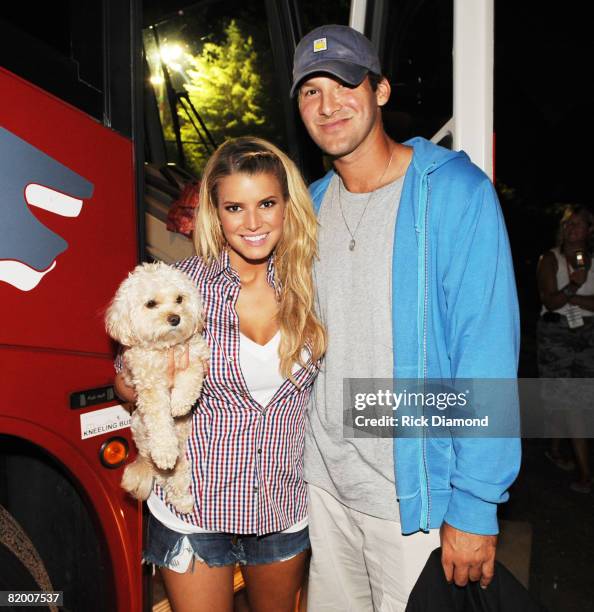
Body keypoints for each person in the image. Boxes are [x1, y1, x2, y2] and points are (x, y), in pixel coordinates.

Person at [291, 24, 521, 610]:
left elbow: (486, 351)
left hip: (414, 501)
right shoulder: (309, 206)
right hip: (324, 487)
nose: (328, 104)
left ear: (380, 90)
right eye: (311, 91)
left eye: (344, 84)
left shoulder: (453, 193)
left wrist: (475, 504)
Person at [115, 136, 326, 612]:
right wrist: (147, 381)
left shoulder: (312, 285)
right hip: (194, 507)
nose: (252, 223)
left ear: (287, 206)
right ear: (216, 212)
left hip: (282, 505)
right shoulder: (183, 286)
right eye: (235, 207)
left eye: (267, 203)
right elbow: (124, 379)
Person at [537, 204, 594, 494]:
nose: (572, 229)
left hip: (587, 335)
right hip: (555, 335)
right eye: (568, 224)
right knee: (568, 401)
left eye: (579, 224)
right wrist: (575, 287)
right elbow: (551, 302)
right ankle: (586, 475)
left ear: (590, 229)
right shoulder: (550, 259)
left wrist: (573, 298)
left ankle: (557, 448)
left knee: (576, 399)